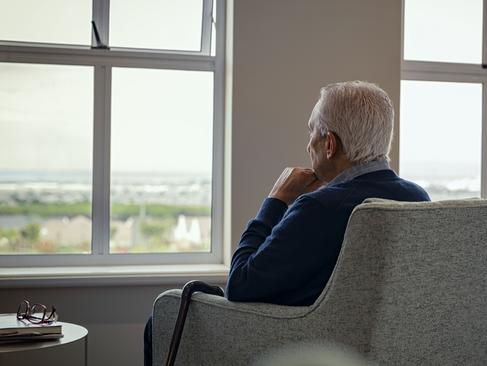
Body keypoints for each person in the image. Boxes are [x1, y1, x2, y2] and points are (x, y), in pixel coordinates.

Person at [144, 81, 429, 365]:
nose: (308, 145)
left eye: (311, 133)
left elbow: (241, 285)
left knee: (161, 318)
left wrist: (276, 199)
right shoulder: (418, 199)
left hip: (306, 343)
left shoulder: (320, 208)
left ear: (329, 144)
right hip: (384, 349)